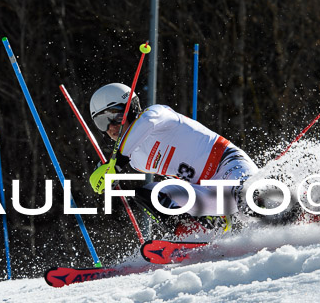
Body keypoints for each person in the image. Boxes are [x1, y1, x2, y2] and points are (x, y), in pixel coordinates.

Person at [87, 83, 259, 238]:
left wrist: (116, 163)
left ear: (131, 108)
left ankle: (277, 221)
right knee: (148, 193)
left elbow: (146, 122)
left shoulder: (158, 114)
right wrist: (109, 175)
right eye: (102, 122)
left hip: (229, 166)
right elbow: (129, 149)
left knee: (246, 200)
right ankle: (193, 235)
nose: (111, 127)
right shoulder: (135, 160)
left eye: (115, 117)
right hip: (206, 193)